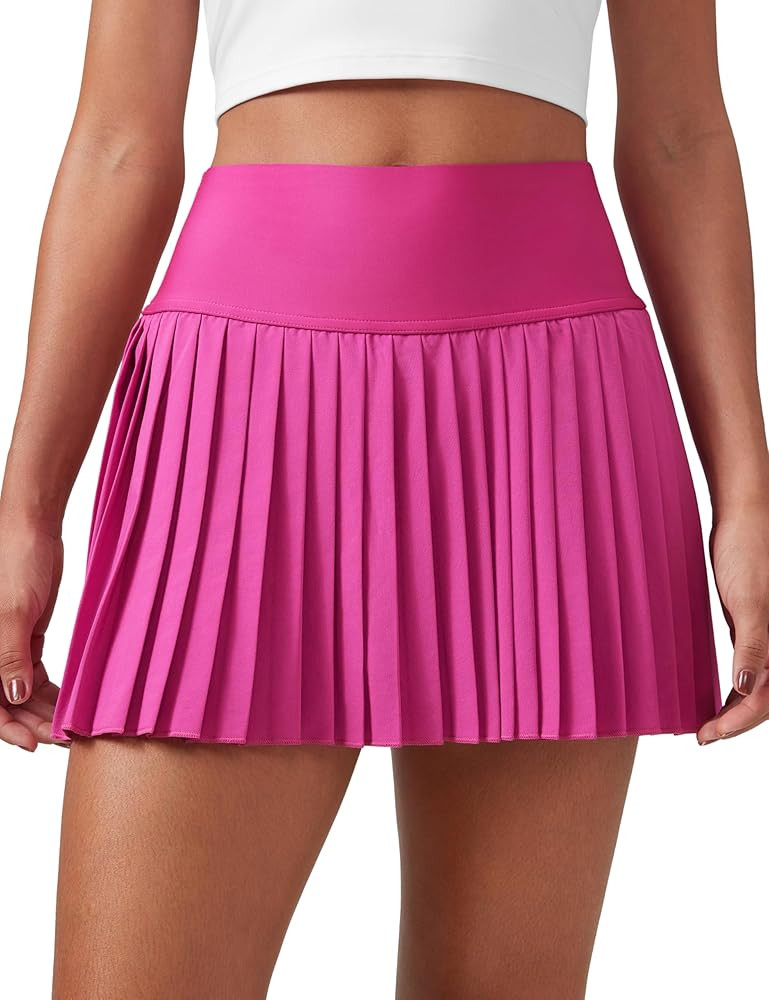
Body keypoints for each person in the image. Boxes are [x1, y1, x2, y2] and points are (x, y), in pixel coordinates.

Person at [1, 1, 767, 997]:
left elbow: (679, 136)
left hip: (542, 412)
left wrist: (745, 495)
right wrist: (26, 509)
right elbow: (118, 143)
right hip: (242, 409)